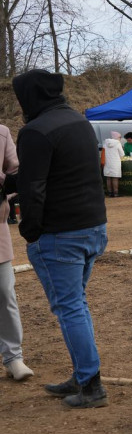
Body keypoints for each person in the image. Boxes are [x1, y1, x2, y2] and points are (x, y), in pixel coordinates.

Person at [14, 69, 108, 408]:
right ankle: (83, 374)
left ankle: (91, 385)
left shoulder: (36, 131)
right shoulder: (78, 122)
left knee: (70, 308)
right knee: (76, 305)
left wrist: (30, 230)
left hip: (60, 234)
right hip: (94, 227)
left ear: (30, 97)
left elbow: (32, 186)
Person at [0, 123, 32, 381]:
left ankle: (13, 357)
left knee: (4, 292)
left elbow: (18, 172)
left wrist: (3, 192)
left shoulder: (1, 133)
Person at [102, 131, 125, 197]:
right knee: (115, 178)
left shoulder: (105, 143)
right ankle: (115, 193)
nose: (120, 138)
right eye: (120, 137)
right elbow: (122, 154)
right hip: (115, 163)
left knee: (108, 178)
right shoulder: (118, 143)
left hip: (107, 163)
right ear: (117, 137)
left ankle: (109, 193)